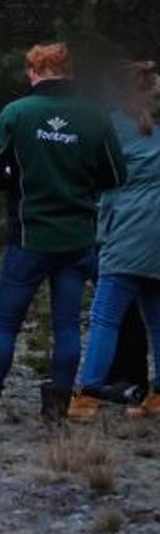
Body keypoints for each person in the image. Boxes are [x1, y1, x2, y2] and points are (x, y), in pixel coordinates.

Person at [0, 43, 127, 438]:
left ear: (34, 72)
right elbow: (116, 174)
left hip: (28, 238)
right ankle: (55, 418)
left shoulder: (17, 113)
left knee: (5, 327)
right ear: (69, 73)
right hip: (78, 239)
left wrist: (19, 175)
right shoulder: (95, 115)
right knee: (67, 327)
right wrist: (80, 183)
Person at [71, 61, 160, 420]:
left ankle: (87, 395)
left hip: (126, 230)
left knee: (105, 315)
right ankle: (157, 397)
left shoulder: (108, 125)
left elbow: (84, 172)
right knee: (157, 318)